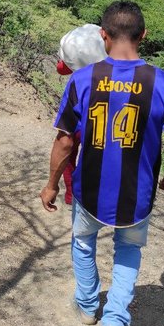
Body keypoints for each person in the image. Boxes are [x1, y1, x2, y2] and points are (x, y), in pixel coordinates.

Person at [40, 0, 164, 326]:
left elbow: (65, 142)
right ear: (144, 35)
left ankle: (87, 308)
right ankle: (115, 320)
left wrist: (52, 183)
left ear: (103, 35)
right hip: (136, 196)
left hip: (89, 191)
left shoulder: (82, 80)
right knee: (128, 249)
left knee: (83, 243)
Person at [55, 24, 108, 205]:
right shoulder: (109, 58)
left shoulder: (78, 74)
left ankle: (72, 193)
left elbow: (61, 69)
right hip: (102, 113)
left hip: (77, 111)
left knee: (68, 151)